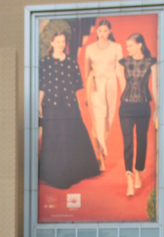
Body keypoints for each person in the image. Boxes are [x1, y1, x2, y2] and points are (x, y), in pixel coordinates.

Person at [38, 23, 100, 189]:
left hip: (69, 105)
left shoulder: (72, 62)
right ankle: (53, 174)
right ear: (52, 43)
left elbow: (76, 87)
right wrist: (39, 105)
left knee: (71, 136)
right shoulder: (44, 63)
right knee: (53, 138)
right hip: (52, 105)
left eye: (63, 42)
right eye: (57, 42)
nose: (61, 45)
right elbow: (42, 86)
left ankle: (73, 172)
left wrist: (79, 106)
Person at [118, 33, 157, 198]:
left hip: (143, 106)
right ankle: (129, 177)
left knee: (142, 140)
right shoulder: (123, 62)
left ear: (140, 45)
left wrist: (158, 108)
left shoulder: (151, 62)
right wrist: (126, 99)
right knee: (128, 141)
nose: (128, 49)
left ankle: (138, 171)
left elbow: (155, 85)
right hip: (126, 106)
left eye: (131, 45)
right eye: (127, 46)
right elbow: (121, 82)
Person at [84, 19, 123, 173]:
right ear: (96, 32)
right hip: (93, 86)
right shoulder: (90, 48)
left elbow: (120, 71)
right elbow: (87, 71)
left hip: (110, 86)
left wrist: (125, 90)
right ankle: (100, 157)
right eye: (99, 31)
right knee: (97, 122)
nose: (102, 34)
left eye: (105, 31)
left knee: (107, 122)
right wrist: (87, 95)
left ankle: (103, 154)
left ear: (110, 31)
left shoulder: (116, 47)